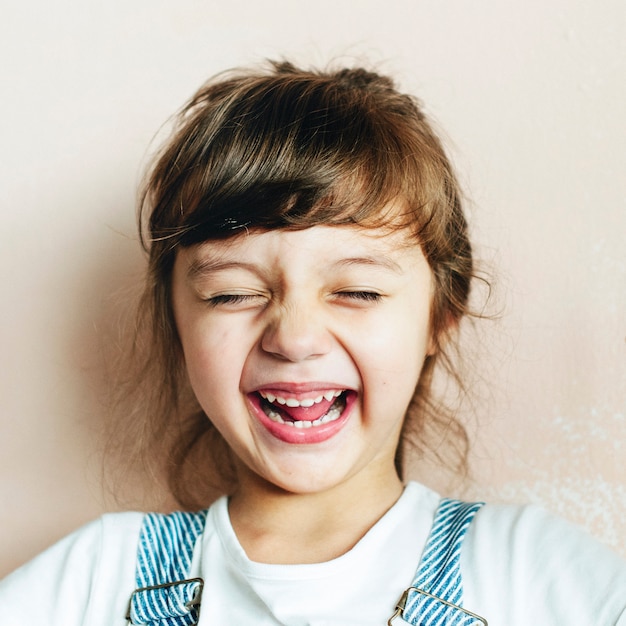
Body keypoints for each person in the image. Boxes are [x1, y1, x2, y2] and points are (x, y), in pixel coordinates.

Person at [1, 60, 624, 626]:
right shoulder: (89, 584)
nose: (294, 338)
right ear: (178, 326)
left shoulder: (534, 577)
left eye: (357, 291)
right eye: (231, 295)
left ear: (441, 317)